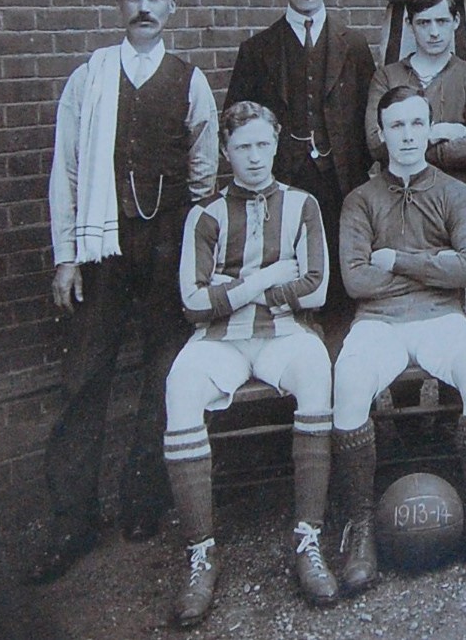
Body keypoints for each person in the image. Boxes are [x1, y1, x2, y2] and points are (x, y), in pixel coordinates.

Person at [32, 0, 218, 583]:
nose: (144, 8)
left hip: (166, 244)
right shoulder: (89, 78)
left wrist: (187, 242)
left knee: (164, 372)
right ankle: (72, 520)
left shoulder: (190, 81)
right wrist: (66, 255)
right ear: (119, 6)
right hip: (100, 245)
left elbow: (203, 167)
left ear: (171, 6)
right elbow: (68, 169)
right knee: (86, 375)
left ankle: (143, 500)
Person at [164, 102, 334, 626]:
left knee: (315, 370)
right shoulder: (207, 214)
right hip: (220, 340)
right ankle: (201, 552)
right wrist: (263, 281)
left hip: (283, 334)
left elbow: (318, 288)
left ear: (277, 144)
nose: (255, 157)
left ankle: (308, 538)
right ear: (225, 152)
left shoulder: (303, 204)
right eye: (243, 147)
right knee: (181, 385)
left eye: (263, 145)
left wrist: (229, 289)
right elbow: (192, 303)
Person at [332, 85, 466, 591]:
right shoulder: (360, 200)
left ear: (430, 129)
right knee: (349, 379)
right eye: (397, 126)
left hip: (439, 319)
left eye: (416, 124)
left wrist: (401, 261)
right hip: (378, 320)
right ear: (381, 135)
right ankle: (360, 525)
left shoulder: (456, 193)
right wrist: (435, 268)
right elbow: (356, 281)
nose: (408, 136)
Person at [225, 0, 375, 313]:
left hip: (341, 182)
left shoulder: (354, 45)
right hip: (282, 183)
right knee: (288, 272)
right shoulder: (257, 50)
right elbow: (236, 122)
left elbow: (367, 117)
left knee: (339, 277)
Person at [366, 0, 466, 314]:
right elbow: (375, 143)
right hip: (402, 219)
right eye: (424, 23)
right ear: (410, 25)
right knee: (409, 311)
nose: (434, 31)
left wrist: (408, 145)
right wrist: (439, 132)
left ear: (455, 22)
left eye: (442, 21)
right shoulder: (388, 77)